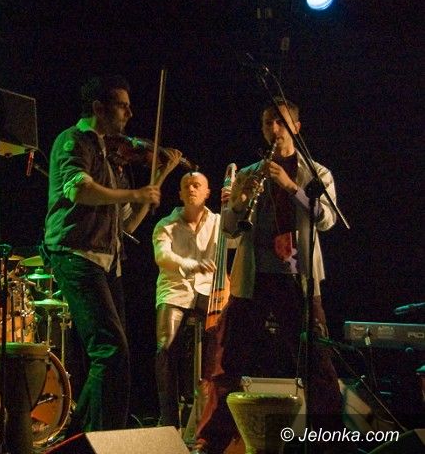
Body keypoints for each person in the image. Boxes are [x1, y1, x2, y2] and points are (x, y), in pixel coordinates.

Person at [192, 99, 342, 454]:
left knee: (317, 362)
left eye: (280, 122)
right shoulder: (249, 172)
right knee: (228, 362)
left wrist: (291, 187)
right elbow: (229, 229)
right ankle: (209, 441)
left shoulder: (316, 173)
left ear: (296, 128)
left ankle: (329, 441)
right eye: (267, 123)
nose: (273, 130)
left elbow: (327, 219)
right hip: (254, 277)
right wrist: (238, 203)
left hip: (298, 278)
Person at [43, 75, 181, 433]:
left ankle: (80, 433)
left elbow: (127, 225)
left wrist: (159, 177)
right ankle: (101, 438)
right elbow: (79, 191)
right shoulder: (74, 140)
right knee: (109, 350)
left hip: (106, 260)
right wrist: (136, 194)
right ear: (98, 107)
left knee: (115, 354)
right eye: (122, 106)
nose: (130, 114)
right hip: (76, 253)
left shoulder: (109, 156)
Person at [152, 171, 232, 429]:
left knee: (220, 348)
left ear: (207, 192)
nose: (191, 189)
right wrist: (191, 264)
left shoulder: (219, 222)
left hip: (210, 291)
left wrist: (235, 206)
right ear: (180, 194)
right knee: (165, 346)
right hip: (176, 289)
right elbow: (162, 256)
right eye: (186, 186)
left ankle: (209, 414)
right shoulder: (166, 224)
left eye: (197, 185)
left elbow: (239, 239)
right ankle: (169, 419)